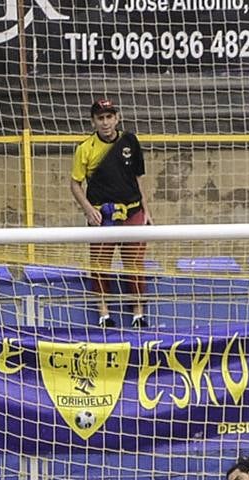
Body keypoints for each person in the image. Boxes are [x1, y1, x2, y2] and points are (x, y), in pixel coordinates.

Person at [70, 97, 153, 329]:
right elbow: (75, 184)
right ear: (93, 122)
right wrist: (88, 210)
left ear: (117, 118)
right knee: (99, 266)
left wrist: (146, 210)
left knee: (135, 265)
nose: (105, 123)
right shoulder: (85, 149)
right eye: (100, 118)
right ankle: (104, 314)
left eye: (109, 117)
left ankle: (138, 314)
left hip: (132, 212)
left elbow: (138, 179)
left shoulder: (130, 141)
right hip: (102, 216)